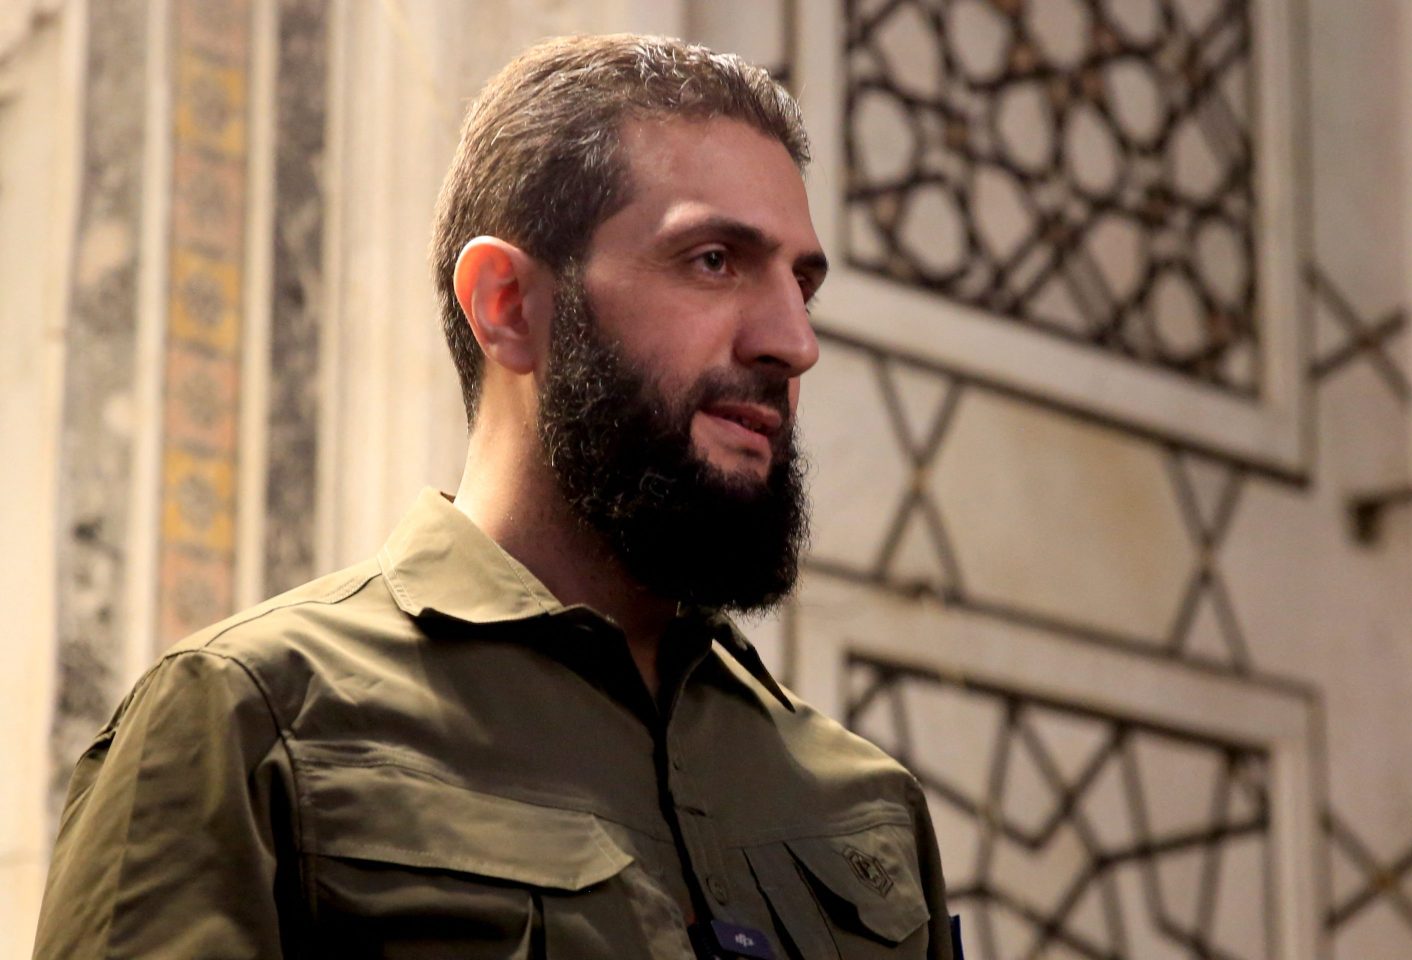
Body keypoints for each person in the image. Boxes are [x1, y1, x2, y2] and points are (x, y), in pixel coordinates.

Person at [33, 33, 954, 959]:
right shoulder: (253, 721)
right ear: (507, 304)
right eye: (714, 260)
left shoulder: (867, 807)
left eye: (803, 286)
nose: (794, 343)